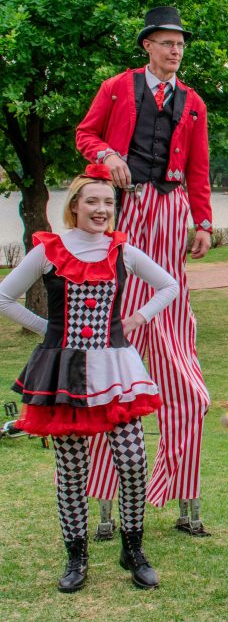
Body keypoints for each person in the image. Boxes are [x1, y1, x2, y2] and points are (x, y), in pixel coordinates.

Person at [0, 164, 178, 592]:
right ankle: (76, 555)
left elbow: (168, 286)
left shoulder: (122, 251)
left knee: (133, 461)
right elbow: (3, 297)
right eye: (92, 201)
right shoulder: (48, 249)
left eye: (109, 203)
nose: (102, 210)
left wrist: (136, 318)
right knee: (72, 469)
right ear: (74, 206)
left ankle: (132, 547)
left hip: (116, 369)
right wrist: (50, 331)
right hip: (64, 373)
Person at [76, 6, 215, 537]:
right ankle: (105, 502)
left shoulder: (193, 102)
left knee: (174, 327)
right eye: (165, 43)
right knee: (117, 328)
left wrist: (202, 221)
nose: (175, 51)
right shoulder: (117, 88)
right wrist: (108, 153)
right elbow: (85, 135)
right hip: (125, 208)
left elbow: (199, 168)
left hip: (172, 207)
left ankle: (181, 493)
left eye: (179, 44)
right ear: (147, 47)